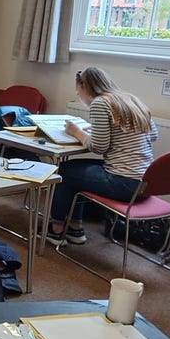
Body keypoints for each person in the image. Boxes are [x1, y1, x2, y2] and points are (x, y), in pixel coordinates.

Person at [46, 67, 158, 246]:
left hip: (124, 183)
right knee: (76, 170)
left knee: (64, 171)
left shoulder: (100, 103)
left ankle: (56, 229)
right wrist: (105, 132)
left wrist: (76, 132)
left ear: (85, 87)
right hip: (146, 183)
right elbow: (153, 135)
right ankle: (75, 228)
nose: (79, 95)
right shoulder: (132, 100)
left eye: (78, 91)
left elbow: (98, 147)